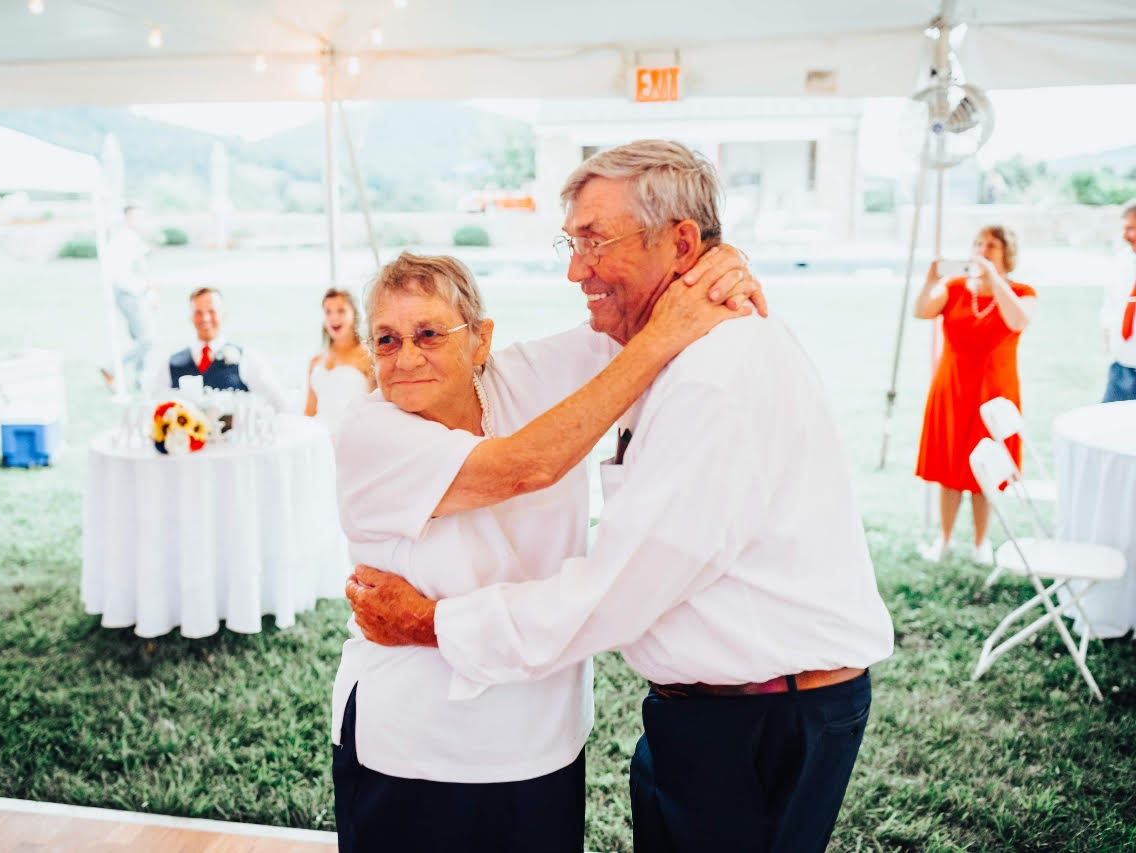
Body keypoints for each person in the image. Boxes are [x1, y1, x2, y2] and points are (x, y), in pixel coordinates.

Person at [345, 140, 895, 853]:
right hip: (701, 717)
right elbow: (529, 457)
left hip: (753, 721)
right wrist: (701, 279)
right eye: (386, 340)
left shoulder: (708, 375)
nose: (576, 269)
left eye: (594, 241)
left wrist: (432, 623)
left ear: (681, 242)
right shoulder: (662, 343)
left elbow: (616, 587)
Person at [331, 243, 760, 853]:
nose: (406, 357)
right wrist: (665, 333)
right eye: (386, 340)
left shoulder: (521, 377)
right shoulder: (368, 434)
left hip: (543, 736)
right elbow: (524, 467)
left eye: (428, 333)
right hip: (416, 744)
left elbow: (634, 317)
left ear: (480, 340)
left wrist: (712, 267)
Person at [914, 226, 1037, 564]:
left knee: (987, 467)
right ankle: (945, 538)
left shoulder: (1022, 292)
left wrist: (993, 279)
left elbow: (1017, 321)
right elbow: (921, 311)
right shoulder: (955, 288)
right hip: (953, 387)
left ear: (1006, 252)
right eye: (978, 243)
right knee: (949, 466)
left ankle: (981, 541)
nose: (982, 250)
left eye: (991, 245)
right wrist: (929, 280)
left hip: (994, 392)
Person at [149, 287, 288, 412]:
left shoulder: (247, 358)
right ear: (191, 317)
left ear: (223, 314)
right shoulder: (170, 364)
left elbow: (278, 403)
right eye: (198, 312)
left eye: (211, 311)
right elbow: (155, 409)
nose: (205, 318)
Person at [304, 288, 375, 432]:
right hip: (319, 437)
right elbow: (309, 412)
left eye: (341, 311)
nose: (334, 317)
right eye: (328, 312)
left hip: (353, 435)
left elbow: (374, 411)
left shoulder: (367, 357)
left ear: (354, 314)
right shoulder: (315, 362)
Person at [103, 204, 156, 392]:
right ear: (126, 218)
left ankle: (141, 380)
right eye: (135, 217)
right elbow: (119, 274)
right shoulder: (123, 240)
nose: (139, 221)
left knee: (140, 338)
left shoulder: (133, 239)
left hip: (137, 293)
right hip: (129, 294)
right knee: (147, 340)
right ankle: (110, 368)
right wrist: (143, 288)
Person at [1101, 202, 1136, 402]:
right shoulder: (1123, 261)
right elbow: (1111, 304)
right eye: (1125, 229)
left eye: (1132, 228)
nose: (1126, 235)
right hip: (1122, 371)